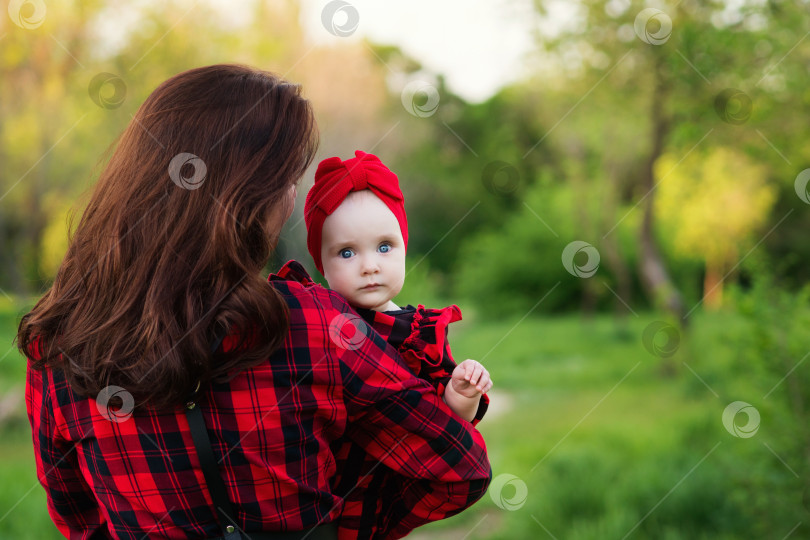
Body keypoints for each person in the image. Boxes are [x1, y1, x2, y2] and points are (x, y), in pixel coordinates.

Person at [17, 64, 491, 540]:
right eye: (286, 181)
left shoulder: (59, 343)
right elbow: (457, 467)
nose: (289, 199)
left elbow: (77, 517)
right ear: (246, 196)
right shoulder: (312, 325)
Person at [287, 150, 492, 538]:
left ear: (403, 246)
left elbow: (451, 422)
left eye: (384, 247)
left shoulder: (419, 332)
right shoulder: (315, 324)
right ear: (322, 266)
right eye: (347, 252)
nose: (370, 265)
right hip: (322, 487)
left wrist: (461, 389)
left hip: (385, 487)